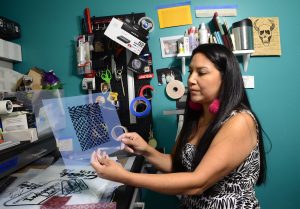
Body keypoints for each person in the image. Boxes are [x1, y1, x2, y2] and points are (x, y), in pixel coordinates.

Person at [91, 43, 267, 209]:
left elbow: (198, 183)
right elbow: (177, 165)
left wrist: (125, 177)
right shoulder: (197, 117)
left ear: (225, 78)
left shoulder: (240, 122)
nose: (190, 79)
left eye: (202, 72)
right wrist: (145, 150)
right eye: (190, 72)